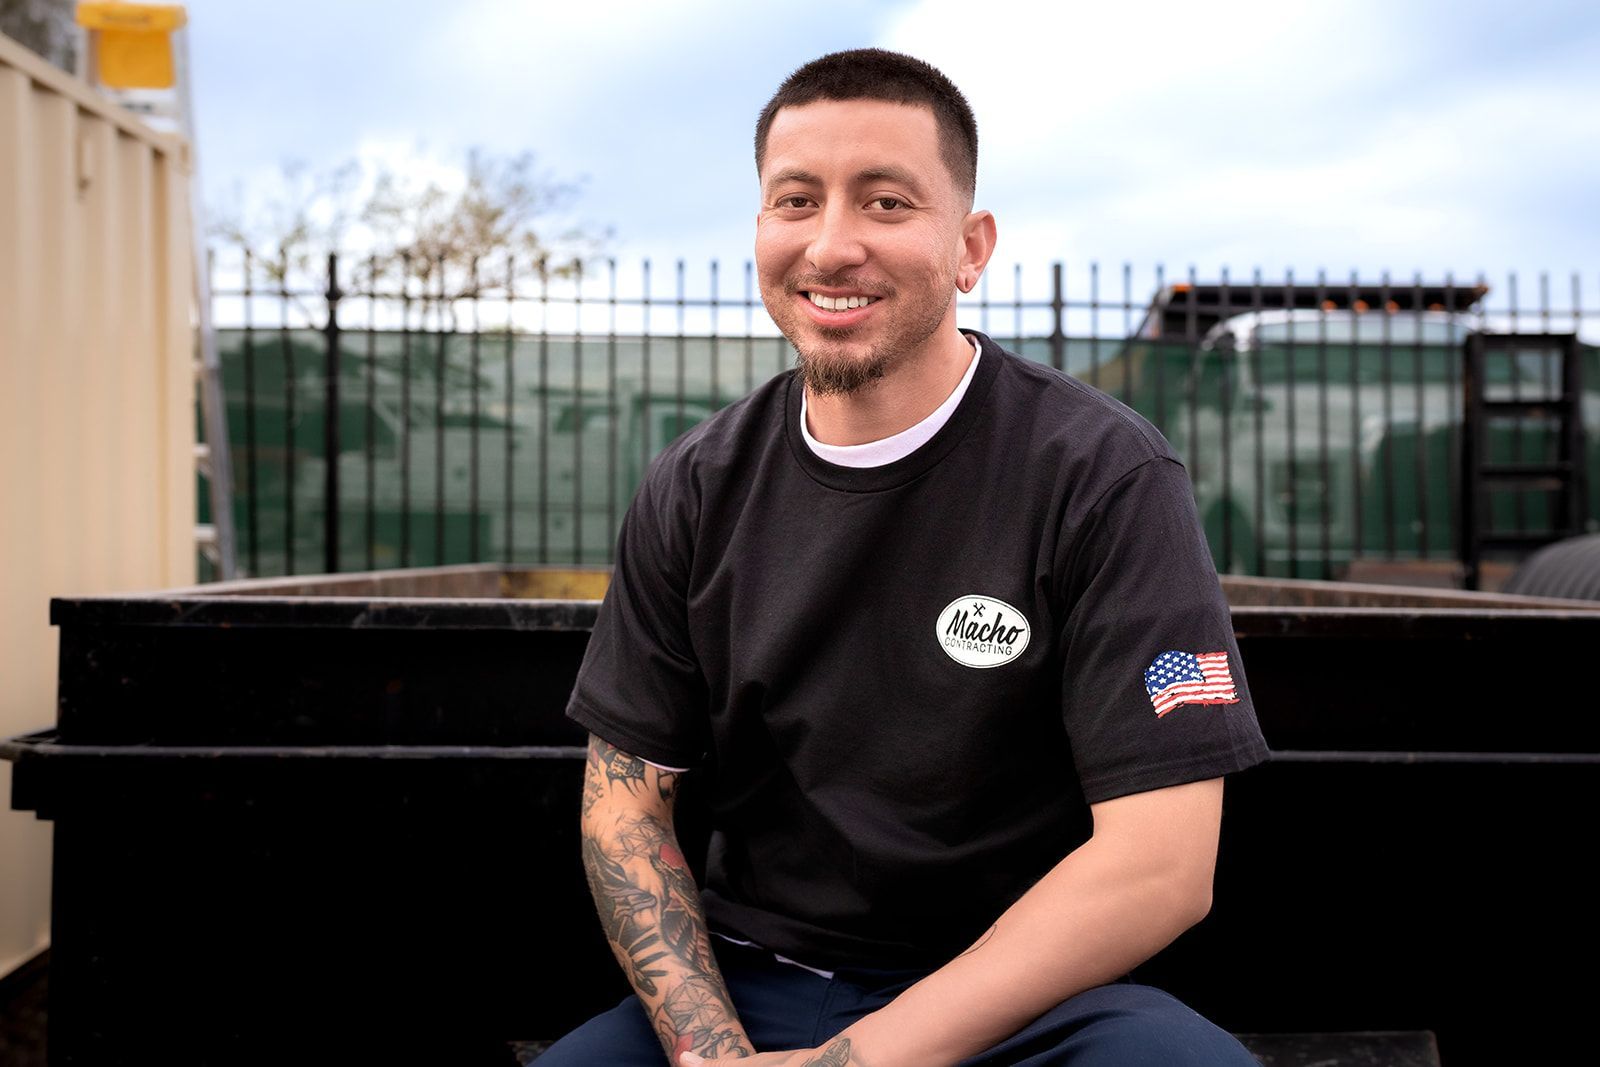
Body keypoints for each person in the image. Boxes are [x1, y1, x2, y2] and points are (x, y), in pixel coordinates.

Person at [539, 47, 1270, 1066]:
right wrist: (710, 1054)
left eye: (884, 203)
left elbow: (1161, 866)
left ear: (970, 247)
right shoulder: (695, 484)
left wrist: (863, 1060)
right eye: (796, 200)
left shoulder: (1100, 474)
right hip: (750, 987)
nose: (832, 246)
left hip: (1026, 999)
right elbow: (625, 808)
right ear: (759, 228)